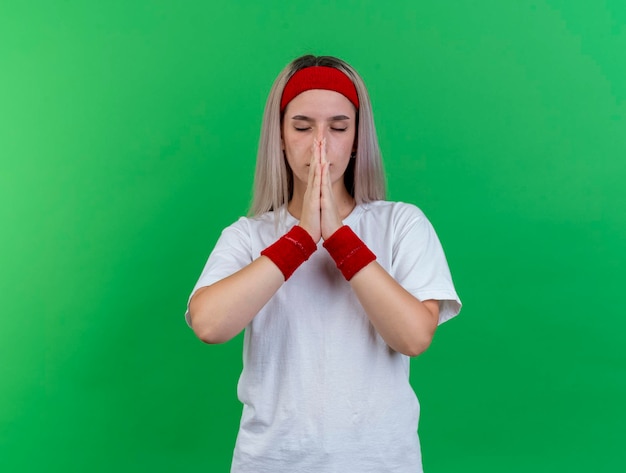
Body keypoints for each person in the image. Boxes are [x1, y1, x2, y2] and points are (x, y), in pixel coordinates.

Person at [185, 54, 461, 473]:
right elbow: (209, 324)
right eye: (301, 127)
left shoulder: (401, 223)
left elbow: (414, 337)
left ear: (356, 139)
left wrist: (337, 237)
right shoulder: (247, 235)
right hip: (270, 462)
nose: (321, 144)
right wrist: (300, 238)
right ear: (279, 135)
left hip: (381, 462)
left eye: (338, 127)